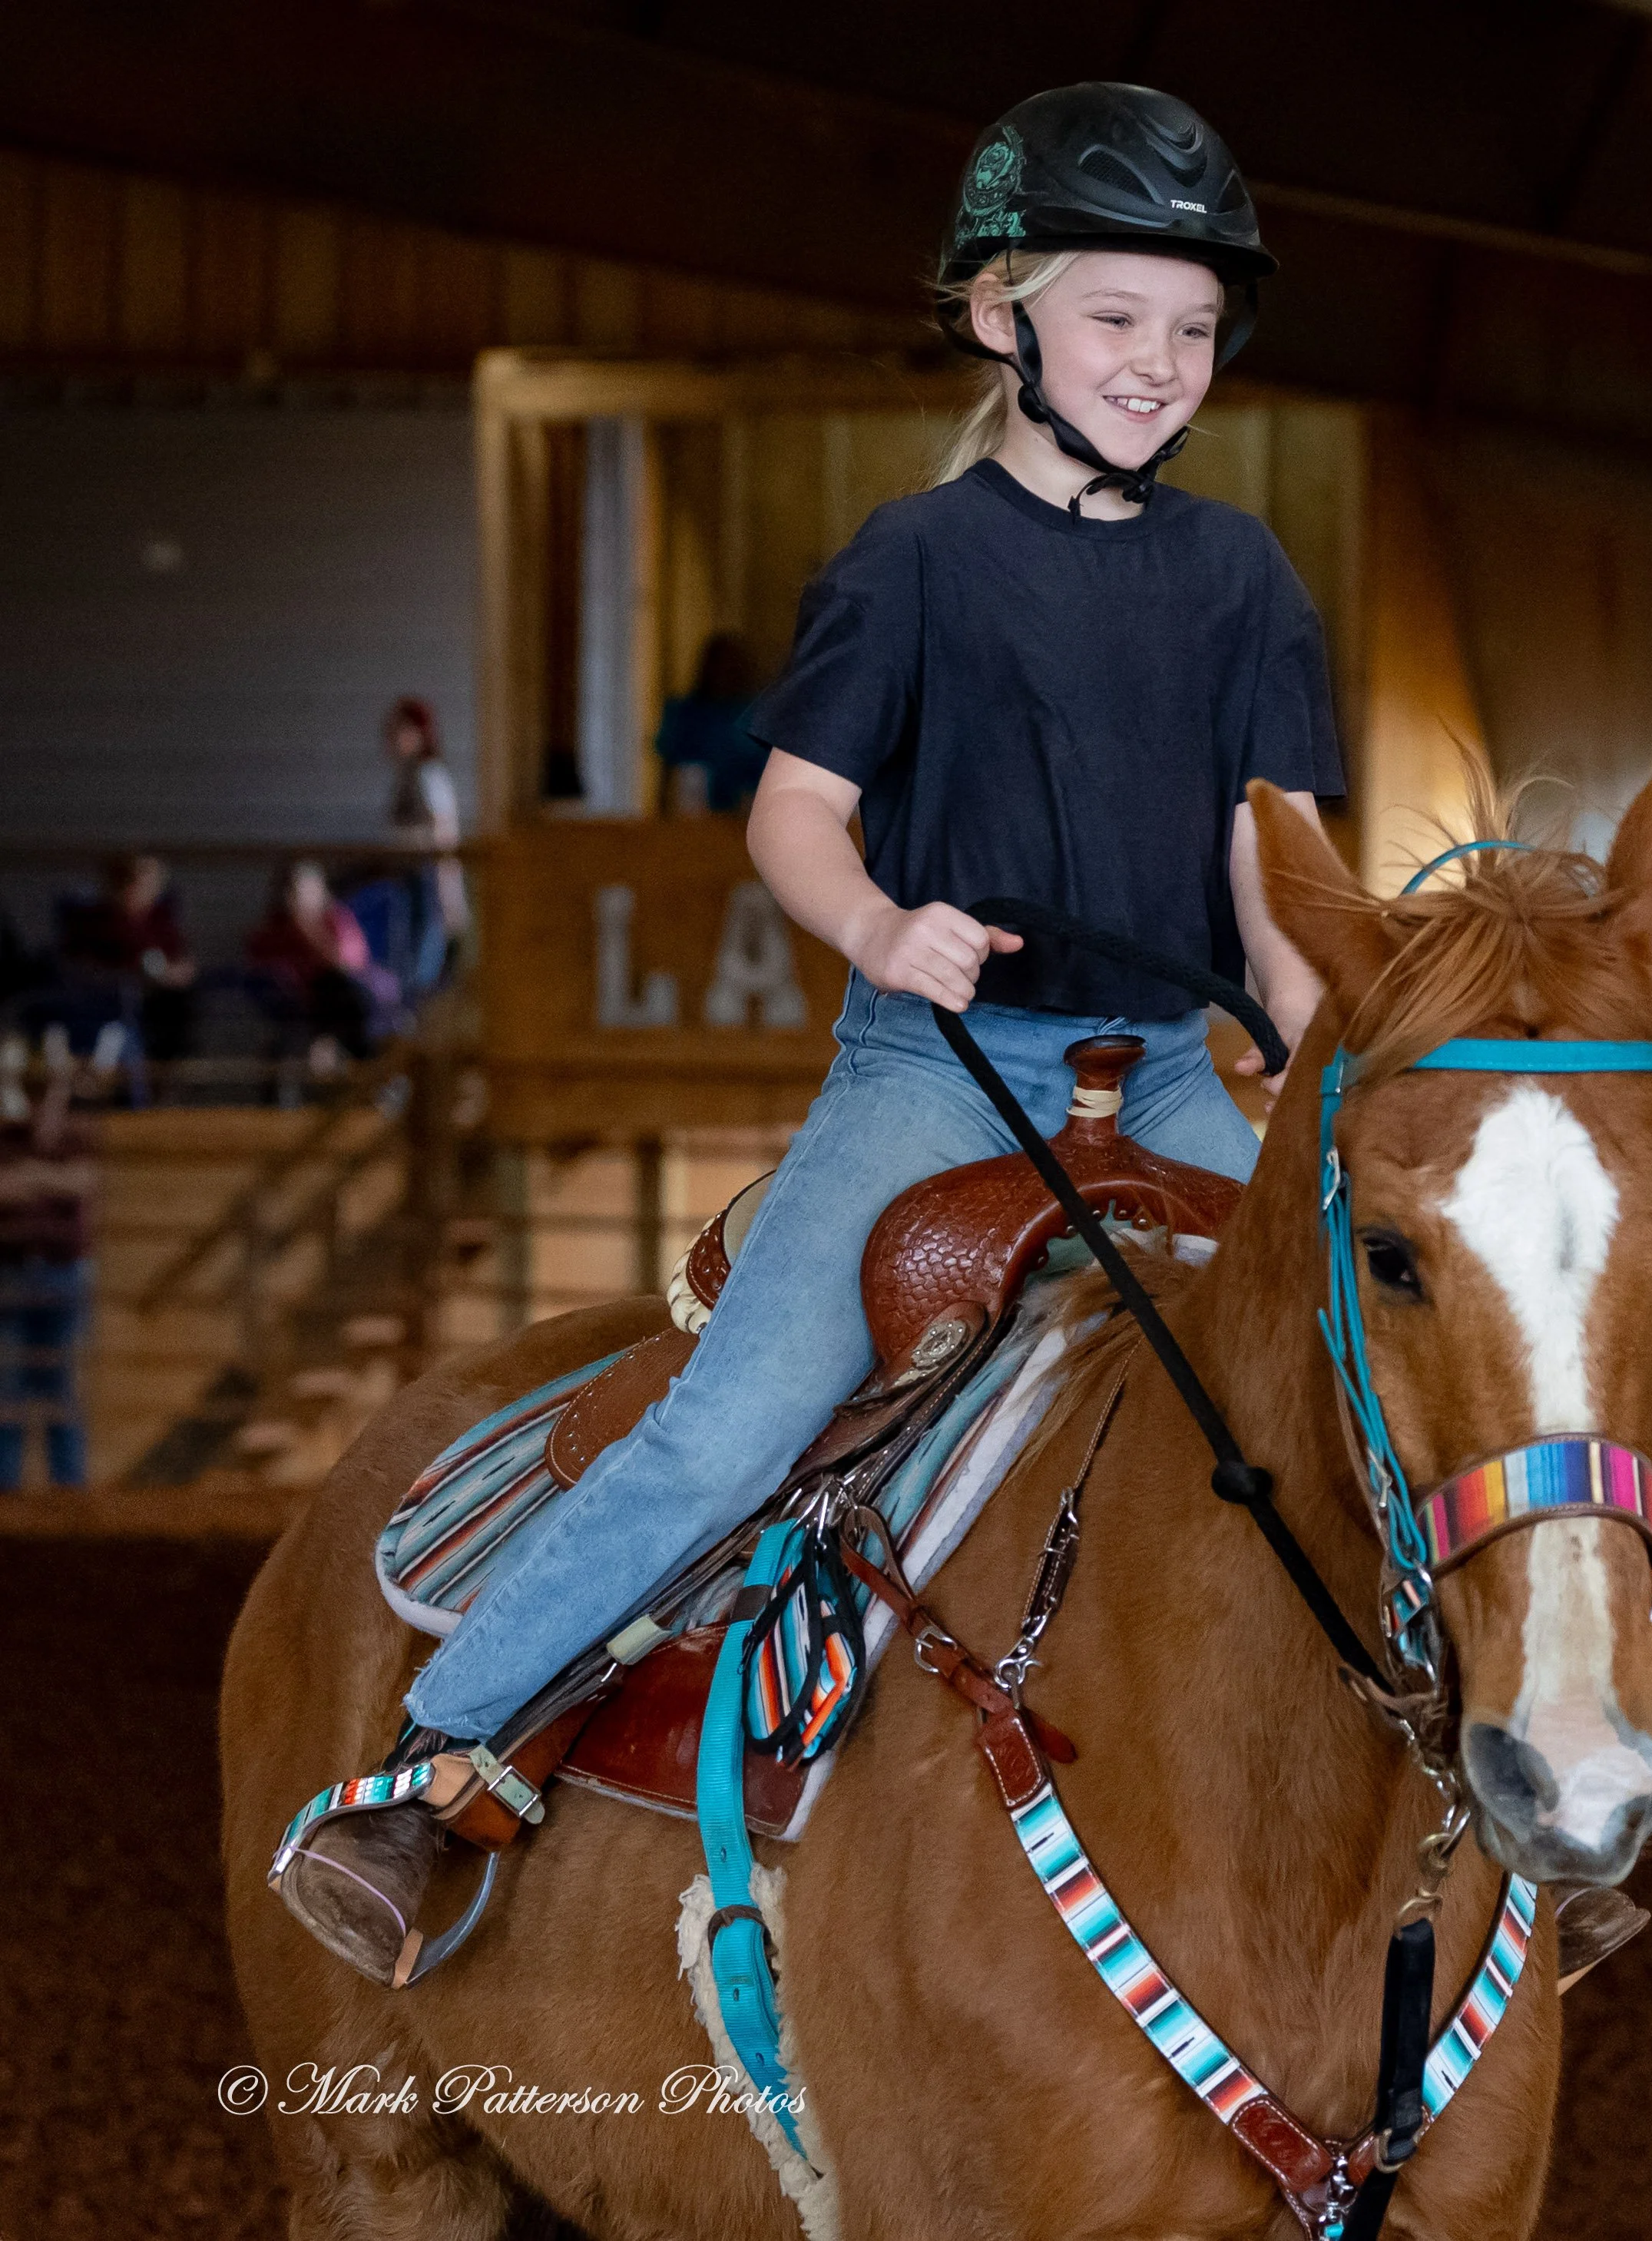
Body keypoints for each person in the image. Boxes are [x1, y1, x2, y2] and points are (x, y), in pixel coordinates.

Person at [279, 83, 1338, 1978]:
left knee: (1371, 1333)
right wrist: (878, 924)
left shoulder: (1245, 578)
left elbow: (1278, 869)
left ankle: (1491, 1783)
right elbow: (792, 810)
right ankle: (426, 1769)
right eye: (1115, 317)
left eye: (1191, 328)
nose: (1158, 363)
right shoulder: (915, 559)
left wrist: (1326, 1052)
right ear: (998, 314)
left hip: (1175, 1057)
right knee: (733, 1424)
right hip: (943, 1060)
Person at [0, 1044, 95, 1490]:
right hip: (14, 1273)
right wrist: (49, 1180)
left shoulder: (77, 1135)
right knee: (8, 1388)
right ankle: (8, 1488)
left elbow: (83, 1183)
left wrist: (31, 1178)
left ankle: (68, 1489)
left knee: (61, 1387)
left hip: (62, 1274)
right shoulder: (8, 1136)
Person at [247, 859, 399, 1074]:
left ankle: (360, 1063)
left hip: (344, 997)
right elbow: (260, 964)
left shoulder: (336, 919)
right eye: (294, 889)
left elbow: (345, 964)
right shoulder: (276, 928)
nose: (300, 896)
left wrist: (308, 928)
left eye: (307, 888)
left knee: (338, 986)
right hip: (299, 1003)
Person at [58, 853, 197, 1063]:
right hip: (102, 1003)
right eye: (135, 881)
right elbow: (76, 966)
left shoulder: (161, 920)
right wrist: (125, 976)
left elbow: (185, 966)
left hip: (155, 999)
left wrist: (165, 975)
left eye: (151, 883)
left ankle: (164, 1084)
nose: (142, 889)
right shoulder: (92, 922)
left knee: (179, 1014)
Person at [384, 696, 469, 997]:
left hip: (428, 873)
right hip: (410, 873)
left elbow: (441, 830)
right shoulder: (408, 775)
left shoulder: (428, 775)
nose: (391, 738)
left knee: (425, 954)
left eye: (399, 730)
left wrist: (447, 887)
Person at [654, 632, 767, 815]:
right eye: (719, 665)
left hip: (743, 812)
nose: (723, 673)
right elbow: (669, 767)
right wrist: (661, 814)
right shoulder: (685, 712)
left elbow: (761, 769)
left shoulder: (752, 713)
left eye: (731, 667)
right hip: (692, 812)